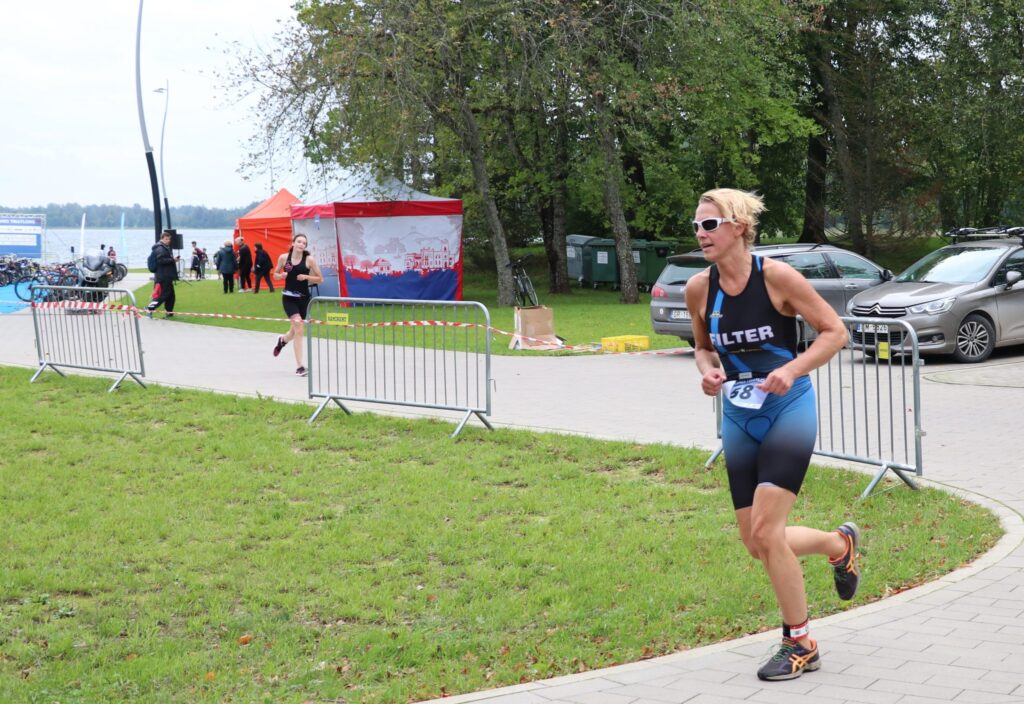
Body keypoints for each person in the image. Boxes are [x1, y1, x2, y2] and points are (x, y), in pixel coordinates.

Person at [683, 188, 860, 682]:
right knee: (756, 542)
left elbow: (835, 332)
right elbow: (702, 347)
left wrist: (792, 369)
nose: (700, 233)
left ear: (739, 227)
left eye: (710, 224)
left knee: (766, 532)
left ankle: (800, 643)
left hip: (787, 408)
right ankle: (838, 545)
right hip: (738, 415)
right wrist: (707, 370)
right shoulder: (699, 288)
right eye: (696, 225)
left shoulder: (776, 277)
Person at [271, 234, 324, 376]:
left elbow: (320, 279)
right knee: (299, 328)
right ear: (293, 243)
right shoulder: (284, 258)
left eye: (304, 243)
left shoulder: (309, 260)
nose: (301, 244)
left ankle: (282, 340)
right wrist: (280, 276)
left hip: (304, 299)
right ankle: (300, 367)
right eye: (299, 241)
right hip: (289, 299)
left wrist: (306, 277)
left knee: (294, 331)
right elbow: (275, 274)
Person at [146, 230, 178, 318]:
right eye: (166, 239)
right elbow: (161, 260)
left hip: (166, 276)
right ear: (162, 239)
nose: (168, 241)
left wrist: (172, 259)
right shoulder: (160, 248)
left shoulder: (163, 247)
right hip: (163, 277)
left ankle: (169, 312)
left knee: (171, 296)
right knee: (162, 295)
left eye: (169, 239)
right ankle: (149, 308)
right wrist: (173, 260)